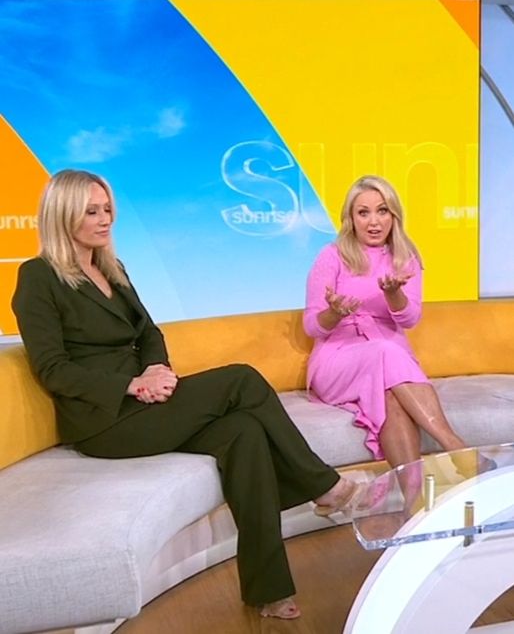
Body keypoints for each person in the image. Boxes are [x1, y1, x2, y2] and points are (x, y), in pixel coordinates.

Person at [12, 169, 365, 622]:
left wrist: (155, 369)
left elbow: (149, 333)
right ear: (63, 215)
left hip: (145, 401)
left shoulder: (112, 269)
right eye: (92, 211)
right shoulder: (38, 277)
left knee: (243, 432)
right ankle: (324, 486)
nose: (105, 219)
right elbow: (52, 368)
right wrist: (130, 385)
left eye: (108, 209)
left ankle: (269, 589)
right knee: (241, 379)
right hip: (104, 420)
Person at [304, 175, 472, 480]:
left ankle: (414, 498)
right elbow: (312, 327)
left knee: (390, 397)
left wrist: (394, 294)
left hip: (388, 357)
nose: (374, 222)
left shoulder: (405, 258)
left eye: (382, 211)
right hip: (337, 360)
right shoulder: (332, 256)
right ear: (351, 219)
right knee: (386, 351)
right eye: (363, 212)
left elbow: (410, 319)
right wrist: (334, 313)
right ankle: (457, 449)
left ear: (394, 215)